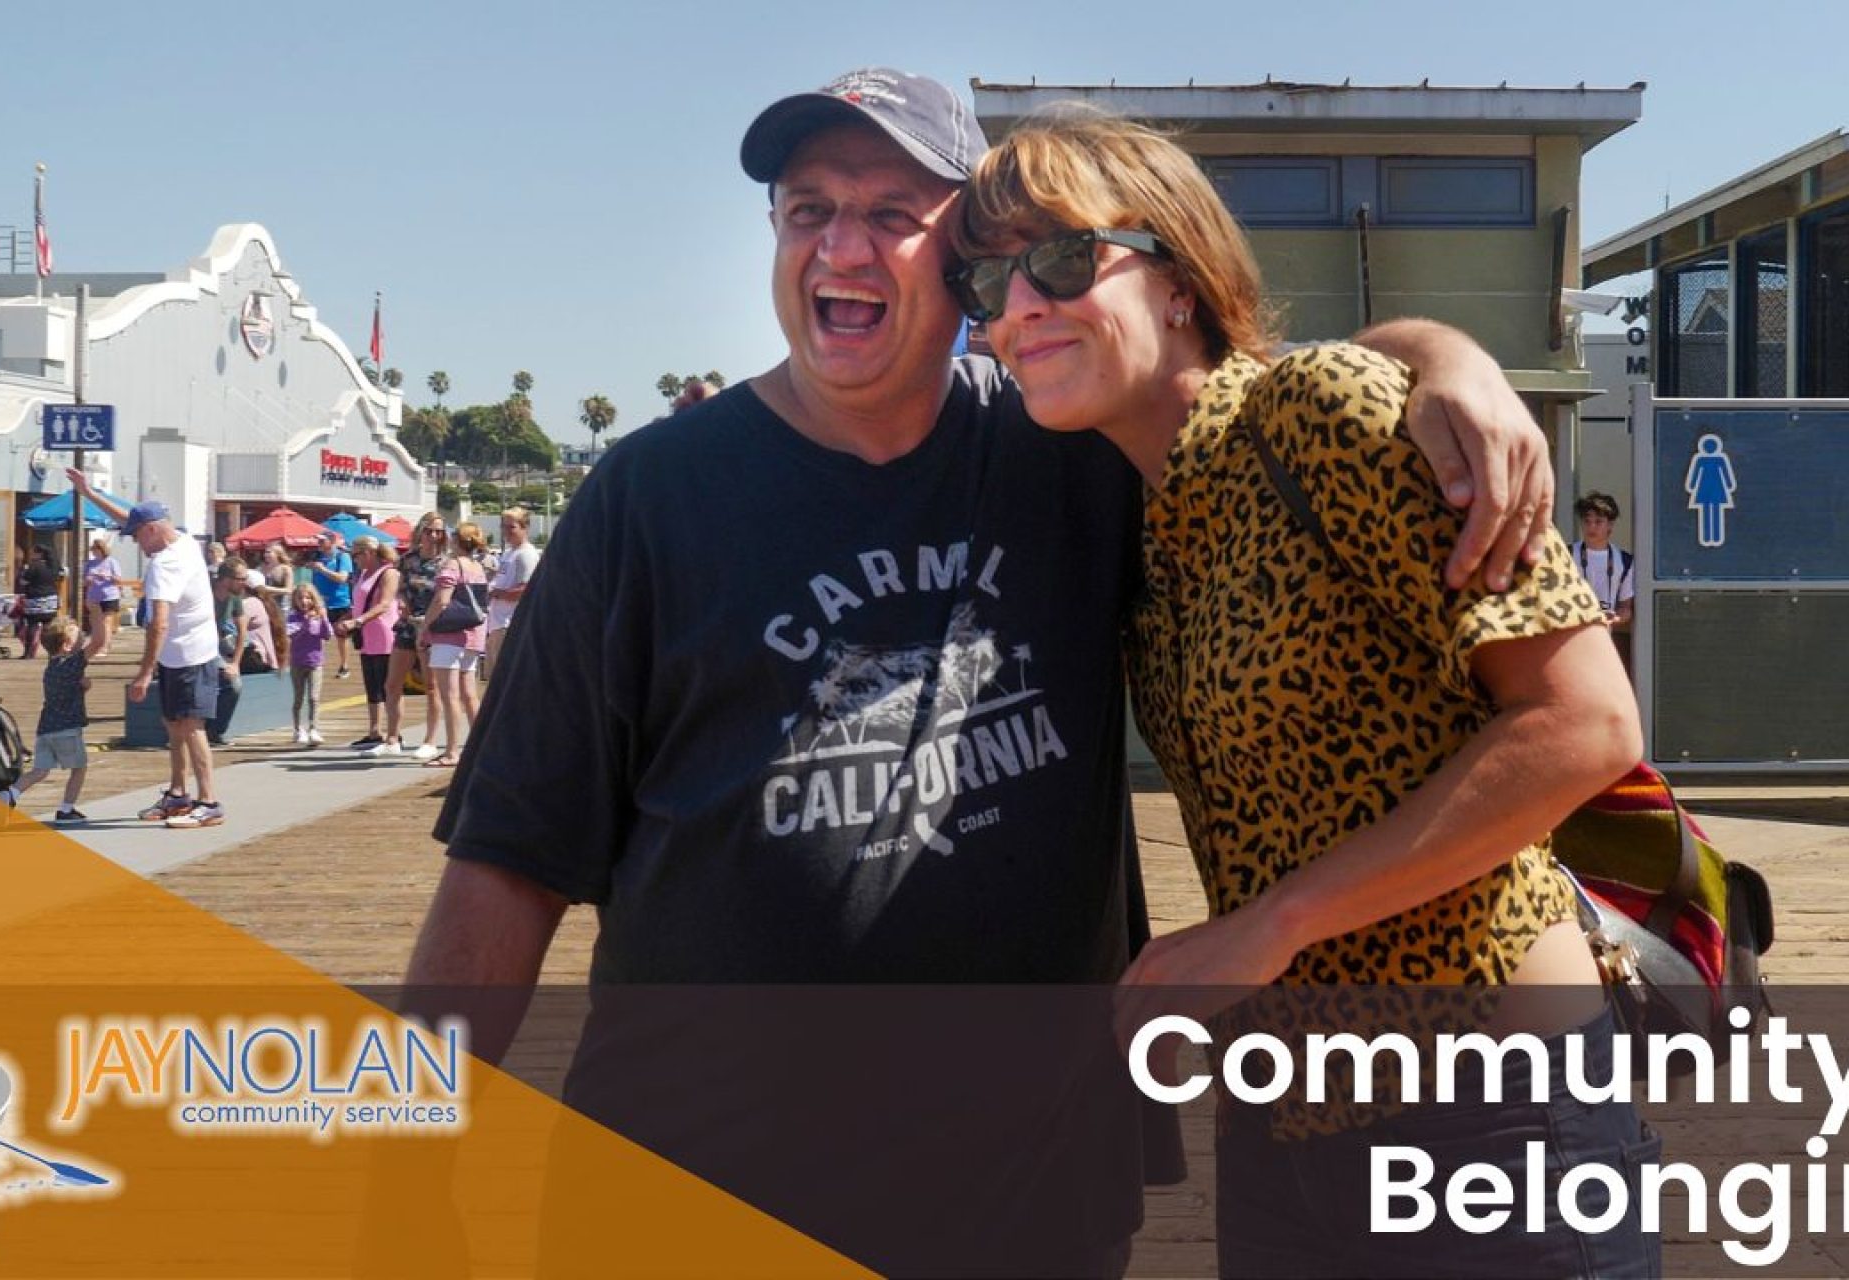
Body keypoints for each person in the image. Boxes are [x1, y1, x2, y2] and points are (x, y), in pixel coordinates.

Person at [409, 69, 1560, 1275]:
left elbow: (1246, 391)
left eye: (890, 213)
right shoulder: (645, 498)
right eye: (808, 210)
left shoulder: (1067, 444)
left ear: (961, 249)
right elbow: (507, 861)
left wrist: (1442, 358)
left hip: (1037, 1198)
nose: (840, 246)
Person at [955, 108, 1651, 1275]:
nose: (1018, 301)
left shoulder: (1321, 412)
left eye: (1063, 257)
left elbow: (1586, 722)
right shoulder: (1136, 511)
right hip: (1286, 1126)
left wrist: (1271, 926)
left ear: (1177, 277)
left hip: (1490, 1097)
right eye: (989, 275)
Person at [65, 469, 223, 830]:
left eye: (137, 538)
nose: (136, 544)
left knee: (191, 725)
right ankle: (179, 794)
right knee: (173, 723)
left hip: (188, 654)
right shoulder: (183, 541)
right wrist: (88, 492)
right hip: (182, 652)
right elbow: (131, 518)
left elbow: (159, 623)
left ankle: (209, 801)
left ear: (152, 531)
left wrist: (144, 671)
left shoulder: (165, 566)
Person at [1, 612, 107, 823]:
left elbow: (65, 691)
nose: (83, 639)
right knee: (79, 768)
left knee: (40, 771)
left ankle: (10, 793)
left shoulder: (50, 668)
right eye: (79, 637)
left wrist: (82, 687)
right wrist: (96, 611)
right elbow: (99, 642)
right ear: (67, 645)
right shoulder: (73, 664)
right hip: (66, 729)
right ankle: (67, 809)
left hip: (45, 729)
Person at [416, 522, 486, 768]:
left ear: (456, 541)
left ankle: (452, 751)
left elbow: (442, 601)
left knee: (450, 697)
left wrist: (425, 627)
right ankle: (480, 747)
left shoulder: (452, 565)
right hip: (473, 635)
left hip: (449, 636)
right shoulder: (478, 566)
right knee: (470, 696)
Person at [386, 513, 446, 760]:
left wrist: (428, 620)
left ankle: (430, 739)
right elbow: (399, 589)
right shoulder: (407, 560)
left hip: (432, 627)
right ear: (420, 532)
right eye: (429, 530)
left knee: (432, 686)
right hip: (408, 625)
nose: (433, 536)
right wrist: (401, 604)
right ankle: (392, 736)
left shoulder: (446, 562)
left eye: (438, 531)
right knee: (392, 683)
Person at [340, 537, 402, 754]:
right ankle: (375, 730)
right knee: (372, 685)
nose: (354, 560)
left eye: (355, 555)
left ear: (368, 552)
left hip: (384, 633)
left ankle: (395, 732)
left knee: (389, 686)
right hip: (367, 635)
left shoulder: (389, 572)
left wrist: (357, 621)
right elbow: (358, 603)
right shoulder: (363, 574)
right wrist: (349, 618)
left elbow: (385, 604)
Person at [1572, 491, 1636, 673]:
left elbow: (1626, 607)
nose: (1591, 527)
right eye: (1587, 521)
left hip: (1605, 638)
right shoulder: (1565, 555)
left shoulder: (1625, 561)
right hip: (1571, 637)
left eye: (1598, 521)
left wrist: (1614, 617)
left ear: (1611, 525)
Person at [483, 506, 539, 684]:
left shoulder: (526, 554)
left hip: (510, 622)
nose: (506, 531)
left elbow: (527, 589)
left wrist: (498, 593)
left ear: (524, 527)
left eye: (511, 527)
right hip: (498, 621)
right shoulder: (508, 553)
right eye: (503, 526)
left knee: (504, 678)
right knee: (493, 677)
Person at [206, 556, 250, 747]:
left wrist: (235, 664)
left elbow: (242, 630)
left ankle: (216, 731)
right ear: (227, 579)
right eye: (241, 578)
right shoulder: (205, 592)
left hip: (217, 645)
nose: (245, 582)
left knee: (234, 685)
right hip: (199, 645)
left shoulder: (235, 597)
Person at [286, 583, 332, 746]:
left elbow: (327, 635)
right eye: (300, 598)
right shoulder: (293, 616)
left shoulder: (318, 616)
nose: (304, 601)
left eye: (308, 598)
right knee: (299, 698)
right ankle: (298, 729)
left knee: (314, 697)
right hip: (297, 662)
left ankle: (314, 728)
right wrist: (304, 625)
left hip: (315, 662)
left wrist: (324, 618)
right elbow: (291, 634)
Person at [312, 530, 356, 680]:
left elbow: (342, 578)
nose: (319, 544)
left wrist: (322, 569)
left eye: (322, 541)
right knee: (316, 634)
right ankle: (316, 664)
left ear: (331, 542)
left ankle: (344, 666)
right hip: (320, 603)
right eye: (318, 541)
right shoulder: (317, 557)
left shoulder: (342, 557)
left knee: (341, 636)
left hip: (339, 602)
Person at [16, 546, 61, 660]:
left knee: (32, 625)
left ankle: (28, 653)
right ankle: (53, 652)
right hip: (50, 599)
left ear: (39, 554)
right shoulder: (54, 566)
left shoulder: (34, 566)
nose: (31, 555)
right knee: (48, 627)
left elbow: (23, 581)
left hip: (35, 599)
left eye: (33, 553)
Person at [84, 534, 124, 640]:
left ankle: (105, 646)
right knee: (96, 622)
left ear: (102, 549)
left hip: (109, 596)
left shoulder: (112, 562)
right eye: (92, 550)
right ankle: (97, 643)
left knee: (106, 622)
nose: (93, 552)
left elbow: (119, 580)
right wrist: (88, 580)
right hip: (93, 597)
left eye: (95, 549)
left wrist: (107, 576)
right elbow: (84, 581)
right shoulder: (90, 563)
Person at [258, 543, 296, 616]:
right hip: (263, 606)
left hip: (280, 608)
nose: (265, 555)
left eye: (269, 552)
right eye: (265, 552)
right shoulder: (260, 568)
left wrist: (268, 589)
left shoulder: (286, 569)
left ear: (278, 554)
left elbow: (288, 590)